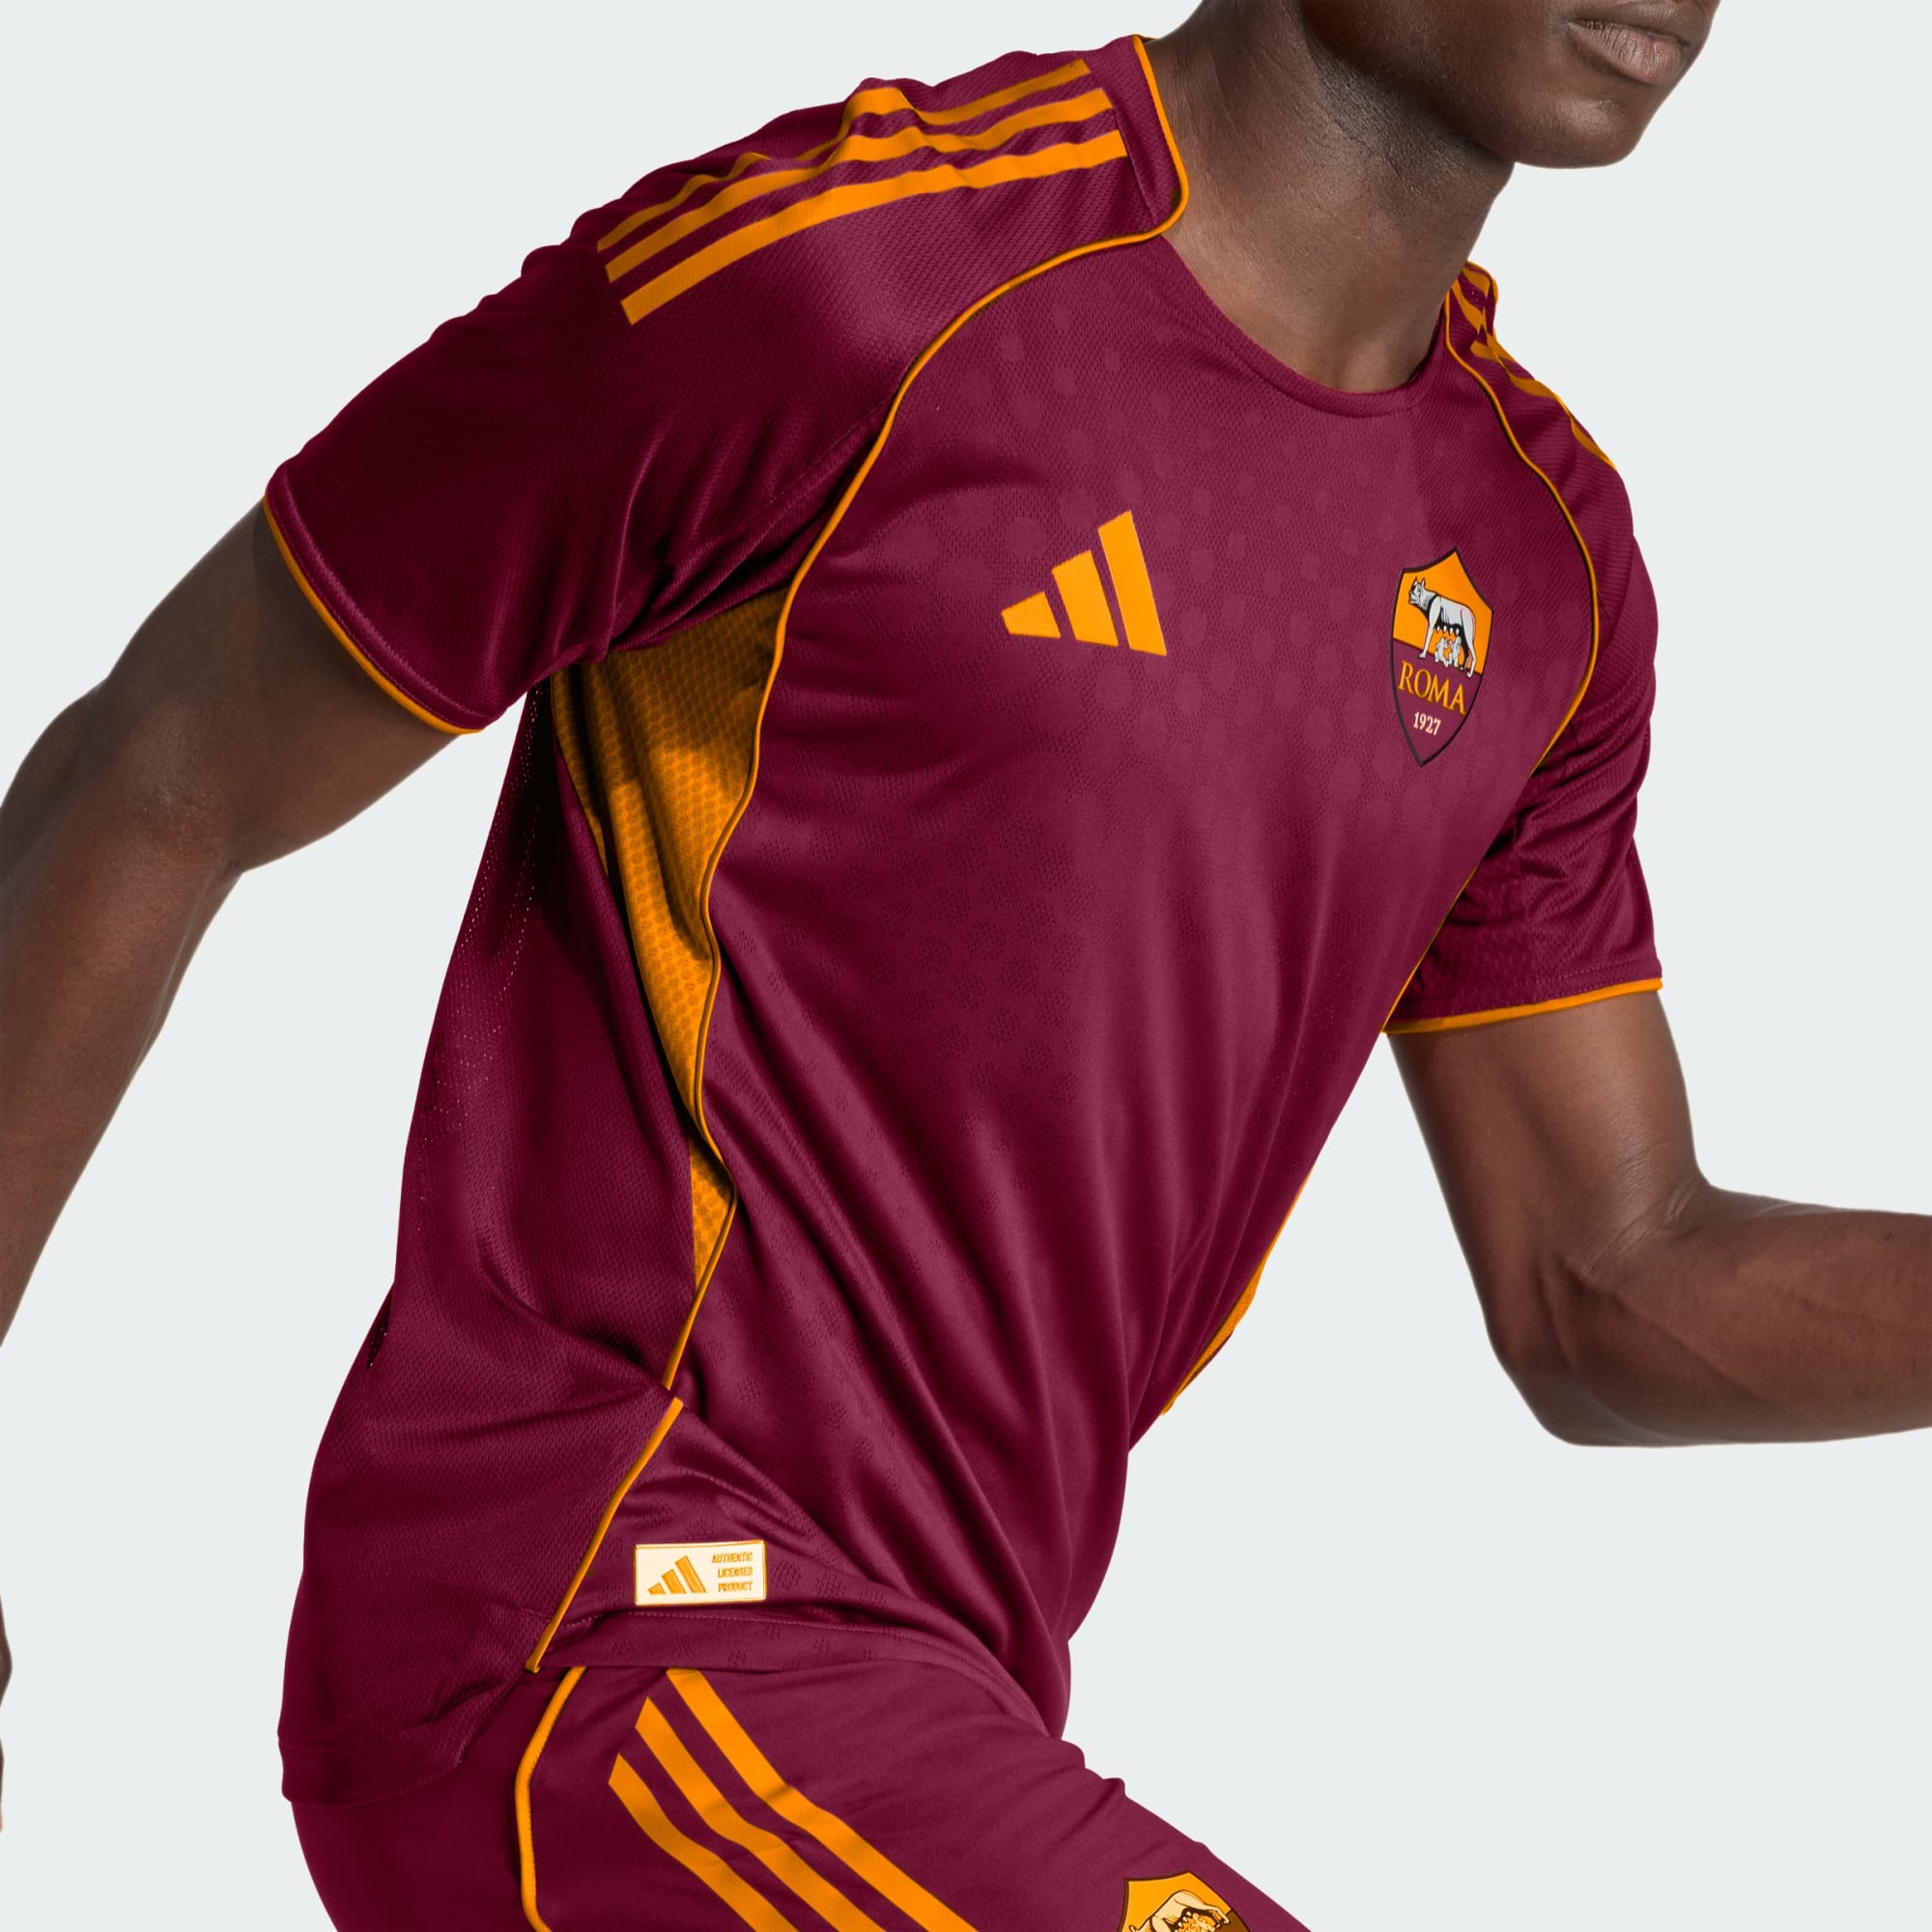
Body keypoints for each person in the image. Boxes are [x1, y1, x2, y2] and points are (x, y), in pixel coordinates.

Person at [1, 0, 1925, 1924]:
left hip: (938, 1690)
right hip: (593, 1626)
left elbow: (1603, 1277)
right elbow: (165, 768)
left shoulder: (1534, 553)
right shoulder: (853, 285)